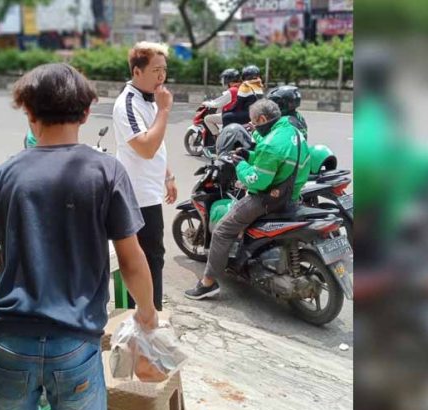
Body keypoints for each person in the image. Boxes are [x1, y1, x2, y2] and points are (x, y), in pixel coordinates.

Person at [0, 63, 158, 410]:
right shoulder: (107, 171)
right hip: (74, 344)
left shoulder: (4, 173)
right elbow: (131, 260)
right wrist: (147, 312)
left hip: (7, 340)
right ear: (85, 113)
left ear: (29, 113)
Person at [184, 99, 311, 300]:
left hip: (267, 199)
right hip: (292, 195)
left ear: (262, 119)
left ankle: (208, 283)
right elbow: (273, 162)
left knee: (222, 231)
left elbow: (257, 180)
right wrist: (249, 155)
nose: (254, 127)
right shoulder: (293, 131)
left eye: (254, 122)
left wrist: (240, 165)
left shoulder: (271, 143)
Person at [112, 41, 176, 311]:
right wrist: (163, 110)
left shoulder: (150, 99)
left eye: (164, 70)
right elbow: (146, 147)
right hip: (135, 195)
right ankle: (142, 314)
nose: (161, 76)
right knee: (142, 258)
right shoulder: (127, 103)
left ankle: (152, 312)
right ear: (137, 71)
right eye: (155, 70)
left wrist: (168, 176)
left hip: (149, 191)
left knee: (154, 256)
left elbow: (157, 143)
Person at [201, 68, 241, 145]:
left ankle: (218, 138)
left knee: (207, 119)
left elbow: (217, 104)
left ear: (228, 79)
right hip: (239, 114)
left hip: (231, 116)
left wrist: (205, 103)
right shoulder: (240, 88)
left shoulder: (231, 91)